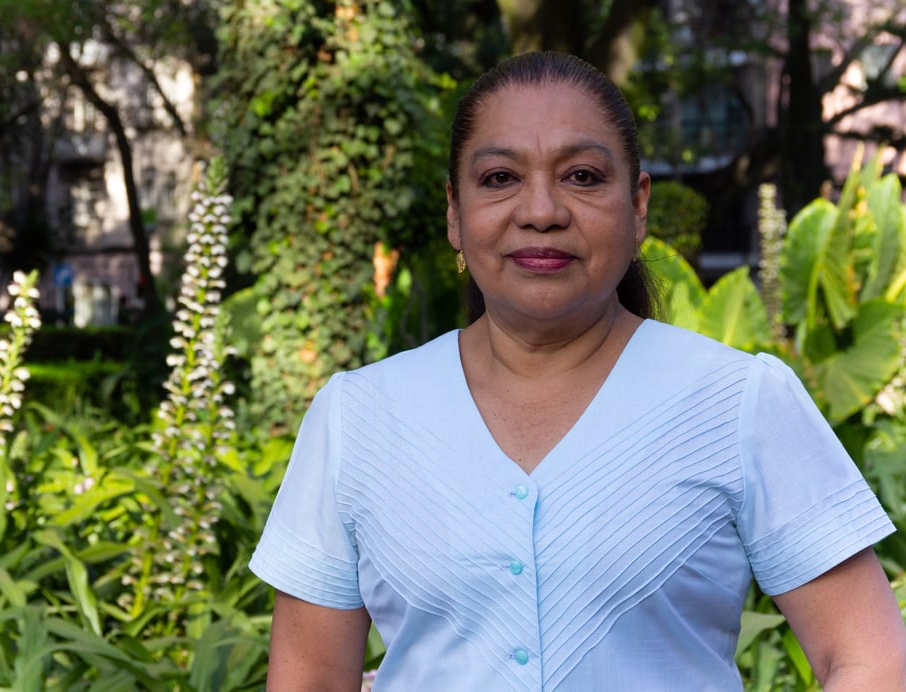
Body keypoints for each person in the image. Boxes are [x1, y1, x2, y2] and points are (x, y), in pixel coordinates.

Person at [249, 51, 906, 690]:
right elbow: (309, 677)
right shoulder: (358, 416)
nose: (541, 211)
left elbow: (870, 660)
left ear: (638, 203)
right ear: (454, 211)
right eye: (499, 178)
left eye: (583, 177)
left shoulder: (737, 400)